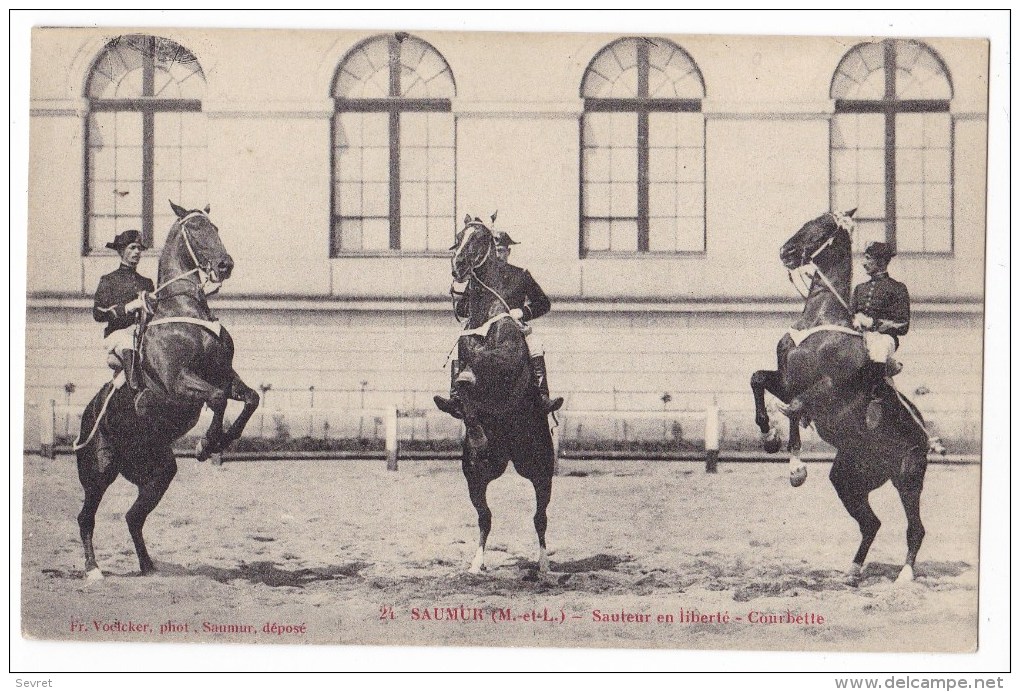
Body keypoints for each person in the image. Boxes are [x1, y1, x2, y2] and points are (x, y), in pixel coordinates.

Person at [434, 229, 564, 419]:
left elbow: (543, 303)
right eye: (496, 250)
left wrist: (522, 312)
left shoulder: (520, 275)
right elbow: (462, 310)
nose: (499, 255)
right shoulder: (477, 279)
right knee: (458, 347)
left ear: (509, 252)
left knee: (535, 344)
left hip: (514, 328)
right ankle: (456, 398)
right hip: (481, 331)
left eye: (502, 250)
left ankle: (542, 397)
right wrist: (460, 292)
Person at [851, 241, 910, 430]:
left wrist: (874, 324)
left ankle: (875, 397)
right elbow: (850, 315)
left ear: (881, 261)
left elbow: (903, 324)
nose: (863, 263)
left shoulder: (897, 288)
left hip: (885, 338)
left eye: (867, 259)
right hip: (861, 336)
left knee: (879, 346)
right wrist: (854, 320)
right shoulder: (859, 289)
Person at [93, 230, 154, 390]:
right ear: (121, 251)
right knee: (127, 342)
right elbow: (98, 314)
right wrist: (127, 308)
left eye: (139, 248)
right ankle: (137, 391)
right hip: (118, 335)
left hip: (142, 337)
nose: (137, 252)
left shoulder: (146, 283)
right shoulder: (108, 280)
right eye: (132, 247)